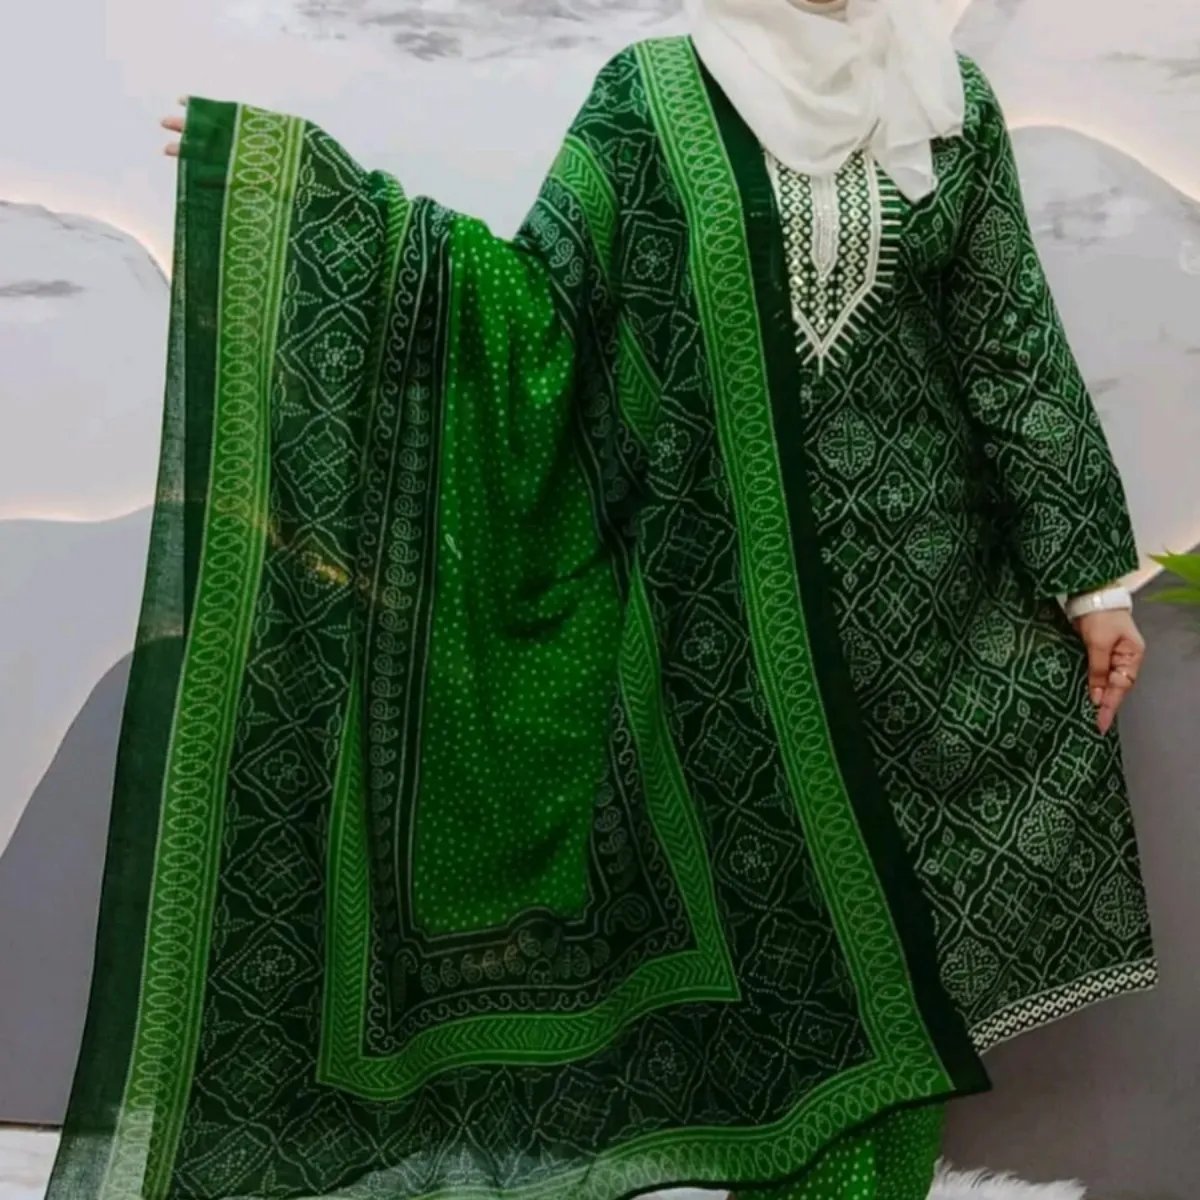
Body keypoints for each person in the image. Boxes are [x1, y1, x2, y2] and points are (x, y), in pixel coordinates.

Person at [49, 2, 1153, 1199]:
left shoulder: (947, 99)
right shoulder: (653, 99)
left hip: (937, 615)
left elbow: (1008, 342)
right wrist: (315, 199)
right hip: (729, 633)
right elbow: (538, 318)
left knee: (906, 953)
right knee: (801, 970)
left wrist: (1091, 582)